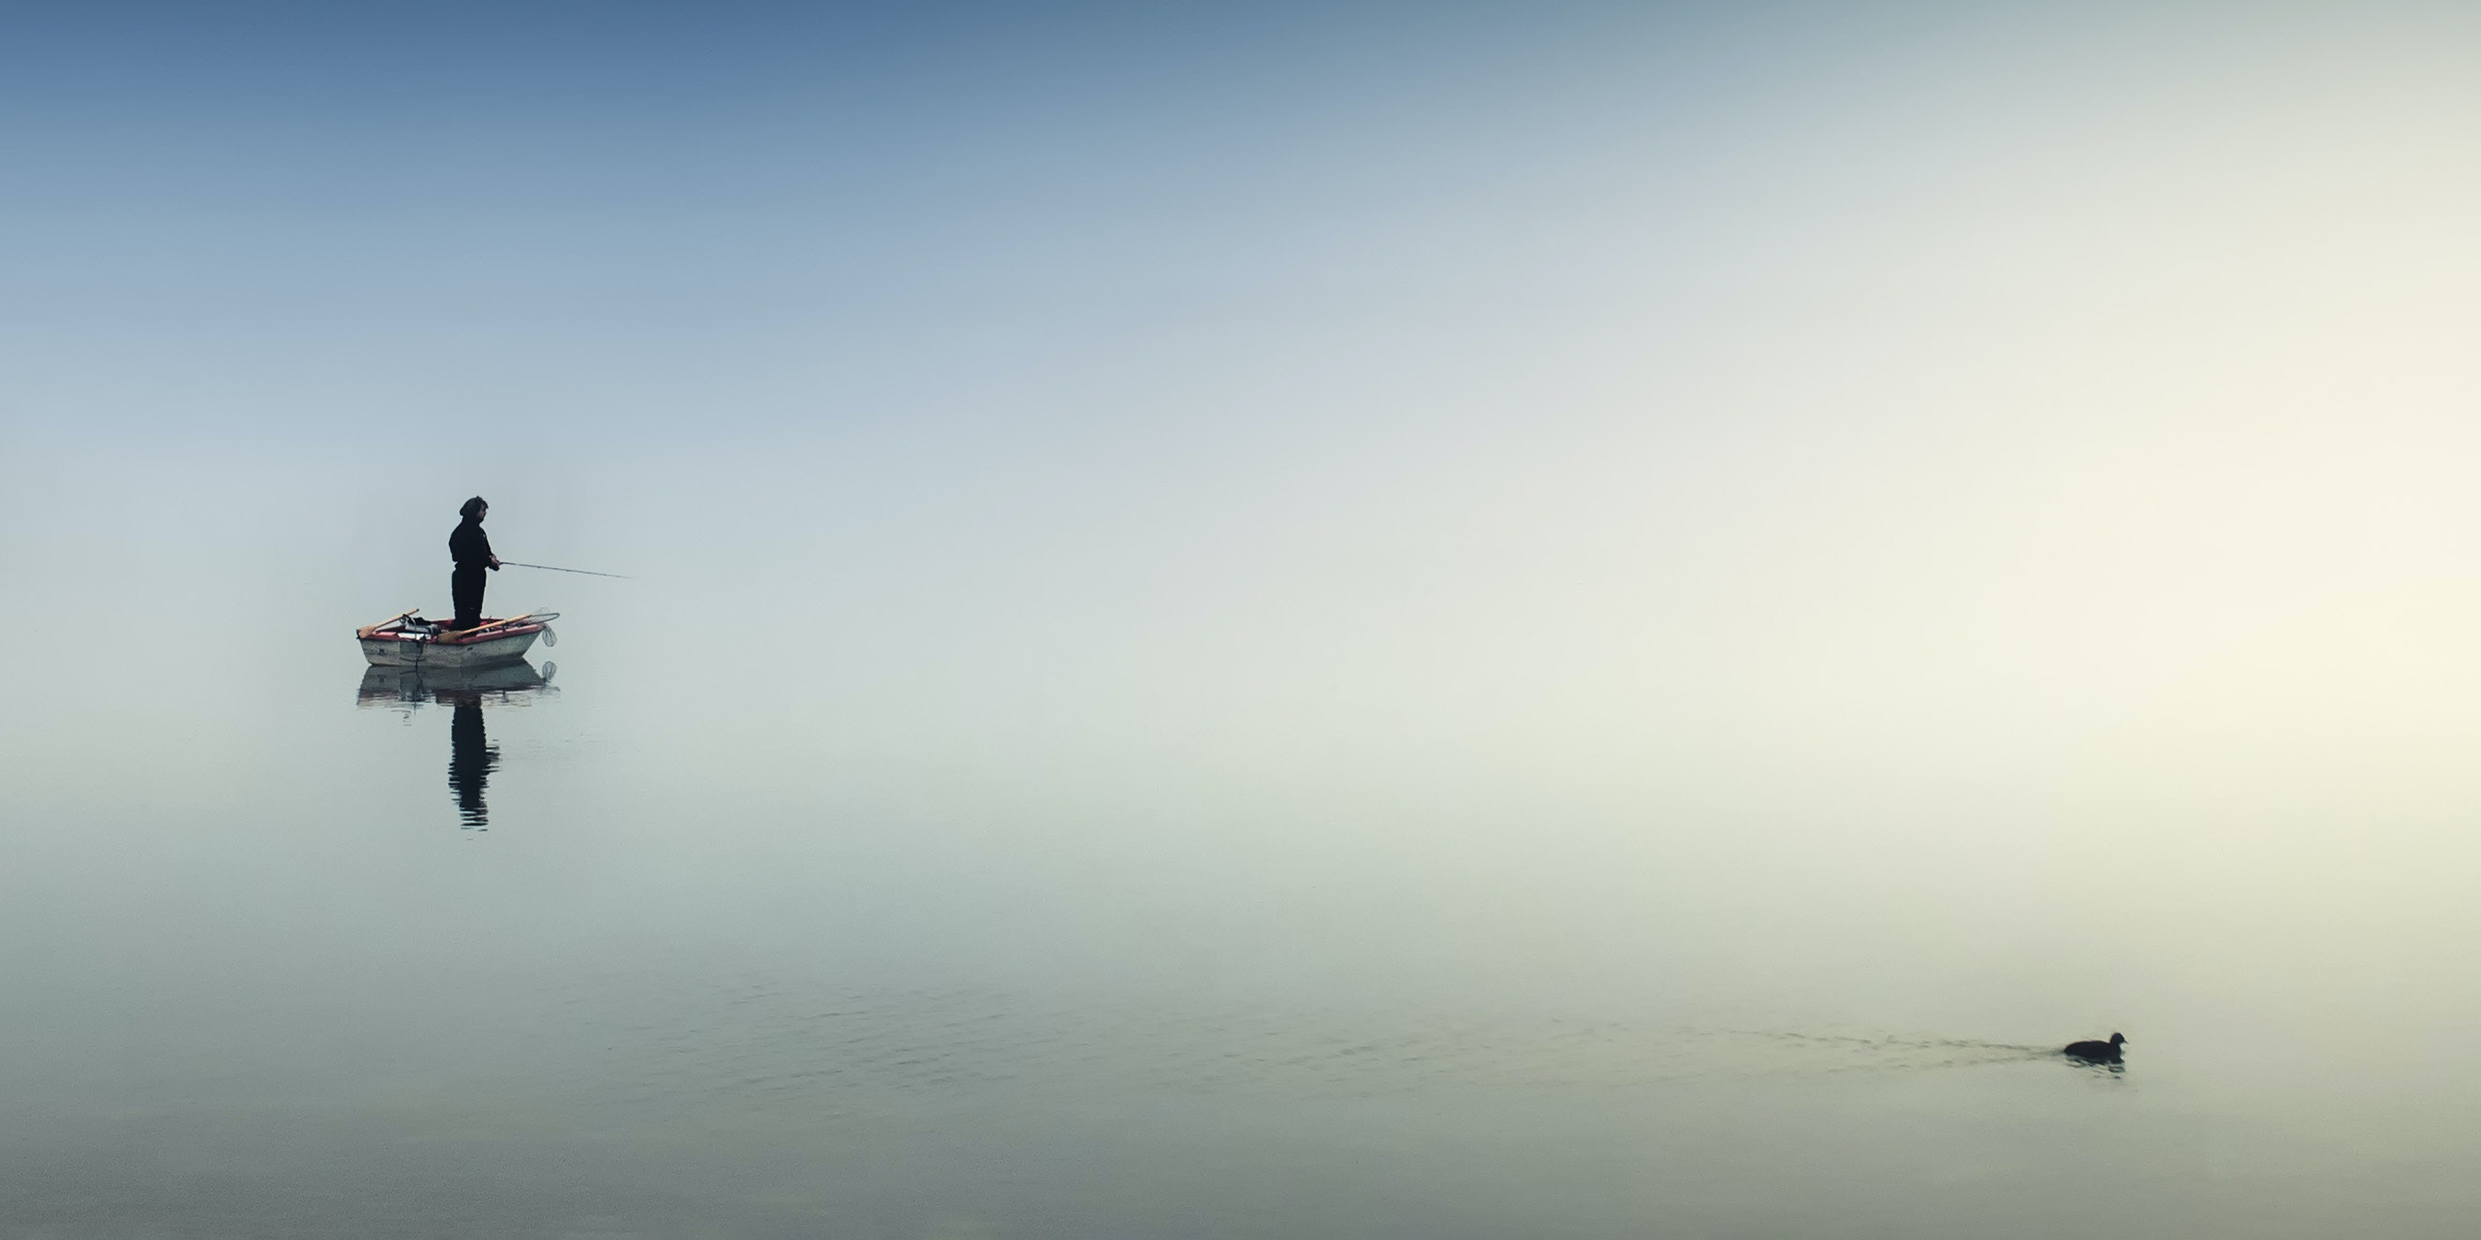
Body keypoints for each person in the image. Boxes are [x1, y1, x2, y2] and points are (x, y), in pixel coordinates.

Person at [449, 496, 501, 630]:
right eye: (483, 510)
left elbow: (486, 552)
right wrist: (488, 561)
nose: (485, 513)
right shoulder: (461, 533)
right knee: (465, 612)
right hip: (465, 577)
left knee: (475, 611)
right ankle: (462, 638)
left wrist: (492, 559)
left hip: (477, 577)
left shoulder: (480, 532)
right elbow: (465, 557)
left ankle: (470, 633)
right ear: (474, 511)